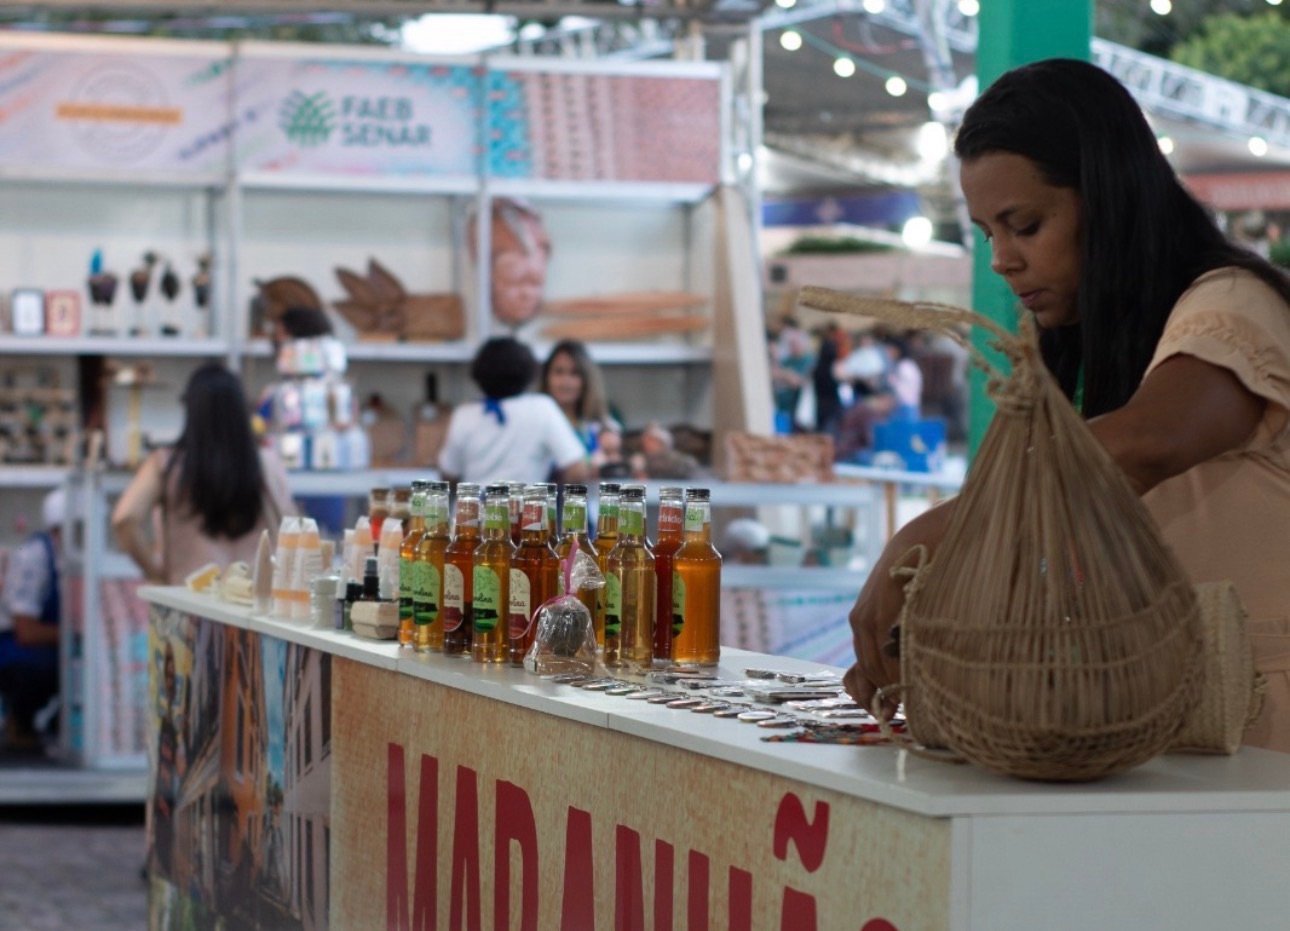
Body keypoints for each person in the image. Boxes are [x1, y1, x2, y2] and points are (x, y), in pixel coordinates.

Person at [843, 58, 1290, 754]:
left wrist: (933, 532)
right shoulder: (1086, 352)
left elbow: (1146, 443)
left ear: (1107, 198)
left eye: (1023, 225)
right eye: (988, 231)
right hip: (1169, 745)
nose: (1001, 259)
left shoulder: (1234, 302)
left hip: (1263, 760)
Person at [113, 363, 297, 585]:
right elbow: (291, 526)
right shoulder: (265, 461)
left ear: (190, 408)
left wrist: (154, 573)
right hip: (251, 599)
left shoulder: (166, 463)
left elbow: (124, 519)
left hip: (189, 597)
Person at [439, 337, 593, 485]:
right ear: (528, 371)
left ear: (479, 373)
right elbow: (577, 470)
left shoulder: (464, 414)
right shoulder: (541, 408)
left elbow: (448, 473)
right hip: (520, 509)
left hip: (474, 508)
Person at [0, 489, 65, 751]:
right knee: (44, 667)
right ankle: (20, 721)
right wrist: (75, 637)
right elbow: (25, 631)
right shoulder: (35, 556)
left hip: (45, 640)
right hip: (12, 647)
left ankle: (57, 725)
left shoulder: (71, 557)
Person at [540, 339, 623, 470]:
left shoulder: (601, 428)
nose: (565, 381)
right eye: (559, 372)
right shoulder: (537, 423)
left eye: (574, 373)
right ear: (546, 377)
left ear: (586, 379)